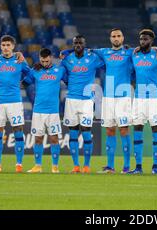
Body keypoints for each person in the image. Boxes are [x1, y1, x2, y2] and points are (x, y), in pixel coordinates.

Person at [88, 28, 134, 174]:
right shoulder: (104, 52)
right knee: (109, 130)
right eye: (113, 36)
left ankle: (126, 167)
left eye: (118, 36)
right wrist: (65, 53)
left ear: (123, 38)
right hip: (108, 97)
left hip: (123, 96)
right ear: (110, 38)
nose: (116, 38)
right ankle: (110, 166)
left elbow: (147, 49)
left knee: (124, 130)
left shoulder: (130, 52)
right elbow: (86, 50)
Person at [0, 35, 31, 173]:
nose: (6, 47)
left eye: (8, 45)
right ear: (1, 46)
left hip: (15, 102)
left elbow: (31, 74)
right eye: (3, 45)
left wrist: (24, 84)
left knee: (18, 130)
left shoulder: (20, 60)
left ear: (13, 46)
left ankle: (19, 164)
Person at [61, 35, 104, 173]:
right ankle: (76, 166)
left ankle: (86, 165)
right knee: (72, 133)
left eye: (80, 43)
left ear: (85, 44)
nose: (78, 45)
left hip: (86, 100)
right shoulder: (67, 59)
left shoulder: (93, 58)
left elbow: (106, 59)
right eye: (76, 43)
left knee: (86, 132)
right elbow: (61, 73)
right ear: (73, 44)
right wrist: (66, 52)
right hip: (71, 100)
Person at [129, 29, 157, 175]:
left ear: (151, 40)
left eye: (145, 39)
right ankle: (138, 166)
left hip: (153, 98)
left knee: (155, 130)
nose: (142, 41)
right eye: (141, 39)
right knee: (137, 130)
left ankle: (155, 166)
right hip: (138, 99)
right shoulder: (135, 55)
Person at [23, 48, 67, 173]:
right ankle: (37, 166)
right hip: (38, 110)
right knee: (38, 139)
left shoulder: (60, 70)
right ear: (39, 59)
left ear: (51, 58)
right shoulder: (35, 70)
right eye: (42, 61)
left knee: (54, 139)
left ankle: (55, 167)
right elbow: (24, 83)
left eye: (47, 61)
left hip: (53, 111)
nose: (45, 63)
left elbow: (70, 80)